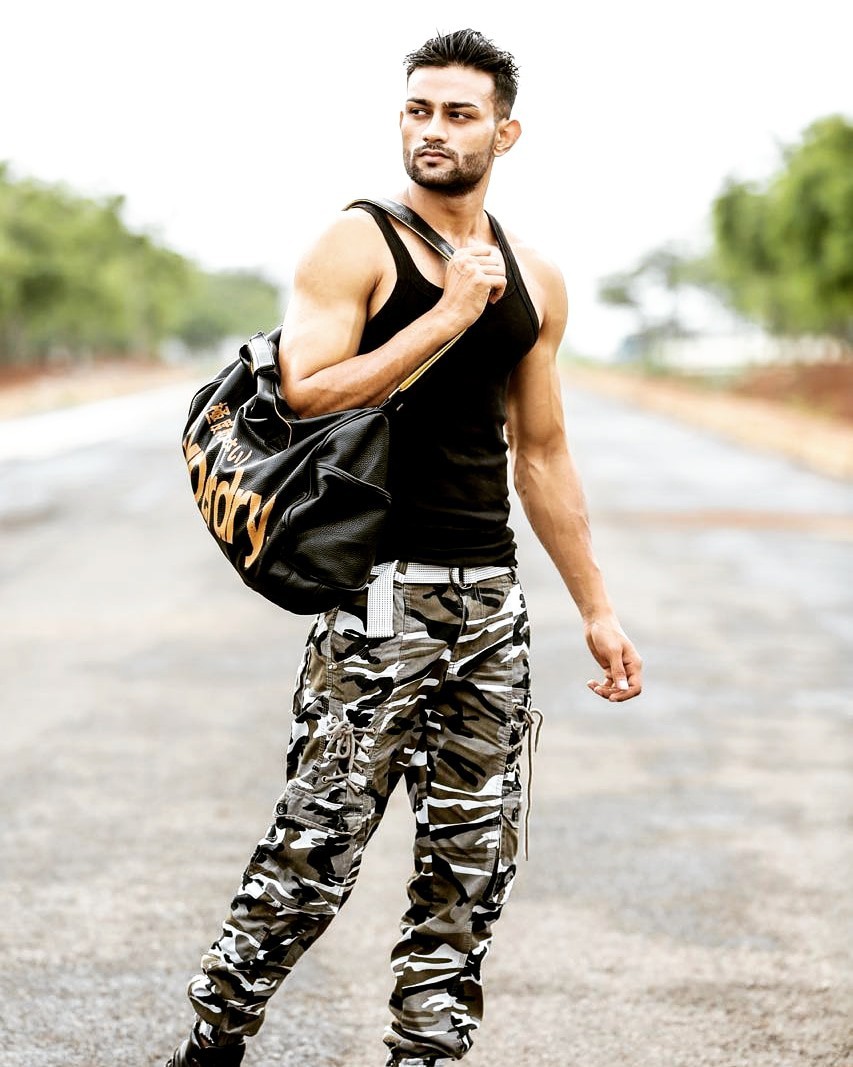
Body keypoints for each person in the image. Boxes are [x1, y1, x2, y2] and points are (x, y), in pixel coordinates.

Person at [166, 27, 642, 1067]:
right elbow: (306, 392)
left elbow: (542, 452)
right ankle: (213, 1038)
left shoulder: (535, 277)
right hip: (378, 600)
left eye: (458, 114)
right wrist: (445, 316)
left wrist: (596, 607)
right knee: (316, 853)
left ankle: (423, 1053)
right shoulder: (356, 244)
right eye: (418, 110)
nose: (433, 130)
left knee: (472, 865)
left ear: (504, 134)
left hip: (490, 605)